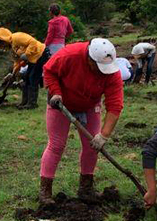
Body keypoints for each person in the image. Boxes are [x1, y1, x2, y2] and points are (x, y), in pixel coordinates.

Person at [39, 38, 124, 204]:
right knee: (56, 145)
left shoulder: (112, 72)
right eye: (99, 68)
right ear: (89, 59)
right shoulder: (69, 55)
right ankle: (45, 192)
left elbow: (115, 106)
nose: (102, 72)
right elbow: (49, 70)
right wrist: (55, 92)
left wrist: (104, 135)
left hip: (90, 105)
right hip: (61, 103)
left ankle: (86, 189)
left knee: (92, 146)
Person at [0, 27, 47, 108]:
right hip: (33, 59)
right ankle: (25, 102)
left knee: (32, 78)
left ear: (4, 39)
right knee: (26, 77)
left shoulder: (16, 37)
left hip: (41, 54)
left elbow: (33, 42)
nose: (2, 46)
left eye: (2, 44)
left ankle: (32, 104)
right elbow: (17, 62)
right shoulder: (12, 48)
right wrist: (13, 73)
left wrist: (27, 54)